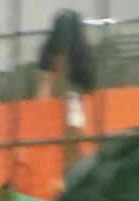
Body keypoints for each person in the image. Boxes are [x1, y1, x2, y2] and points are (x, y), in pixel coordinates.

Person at [38, 9, 96, 176]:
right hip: (68, 99)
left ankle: (71, 167)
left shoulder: (55, 53)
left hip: (70, 97)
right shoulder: (78, 52)